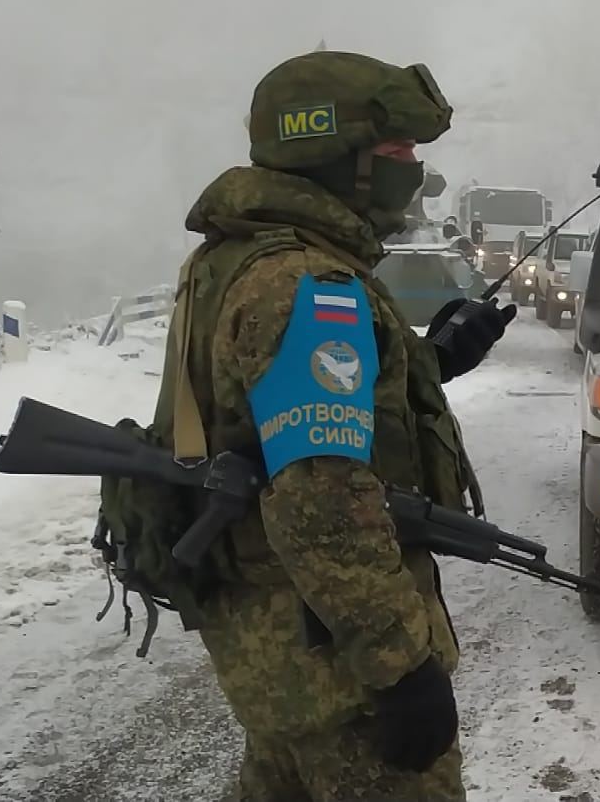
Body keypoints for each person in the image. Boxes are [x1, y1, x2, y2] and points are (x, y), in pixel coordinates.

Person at [160, 50, 513, 801]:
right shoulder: (306, 284)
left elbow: (275, 422)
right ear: (332, 157)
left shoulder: (235, 259)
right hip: (337, 669)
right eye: (395, 151)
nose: (411, 168)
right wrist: (400, 665)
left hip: (280, 649)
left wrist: (426, 362)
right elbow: (321, 495)